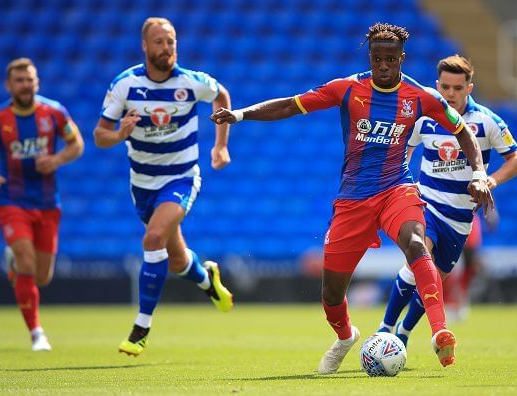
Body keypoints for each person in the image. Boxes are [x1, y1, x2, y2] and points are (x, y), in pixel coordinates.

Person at [211, 23, 493, 372]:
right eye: (378, 59)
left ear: (402, 58)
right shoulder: (347, 88)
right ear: (370, 58)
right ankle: (346, 336)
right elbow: (290, 105)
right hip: (353, 200)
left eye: (391, 59)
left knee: (418, 244)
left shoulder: (421, 96)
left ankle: (440, 332)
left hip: (396, 189)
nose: (384, 66)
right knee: (331, 295)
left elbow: (462, 130)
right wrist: (240, 114)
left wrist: (479, 171)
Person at [93, 17, 234, 357]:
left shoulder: (190, 81)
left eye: (170, 41)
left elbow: (222, 95)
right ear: (145, 46)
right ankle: (206, 277)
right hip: (142, 184)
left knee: (153, 238)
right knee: (175, 260)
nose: (166, 48)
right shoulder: (125, 86)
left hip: (181, 176)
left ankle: (141, 327)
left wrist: (220, 144)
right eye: (159, 42)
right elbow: (100, 135)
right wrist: (120, 134)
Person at [377, 55, 517, 346]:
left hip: (460, 218)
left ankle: (403, 334)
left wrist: (489, 180)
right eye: (445, 87)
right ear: (437, 85)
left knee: (436, 278)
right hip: (427, 204)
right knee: (419, 260)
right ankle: (385, 327)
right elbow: (402, 154)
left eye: (458, 88)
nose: (451, 94)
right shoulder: (424, 118)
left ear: (470, 87)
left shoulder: (487, 121)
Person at [0, 57, 84, 351]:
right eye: (19, 80)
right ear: (9, 85)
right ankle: (37, 334)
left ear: (37, 82)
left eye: (29, 79)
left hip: (47, 202)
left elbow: (77, 144)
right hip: (12, 200)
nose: (25, 85)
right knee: (28, 263)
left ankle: (14, 263)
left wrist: (56, 159)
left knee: (42, 276)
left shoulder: (54, 113)